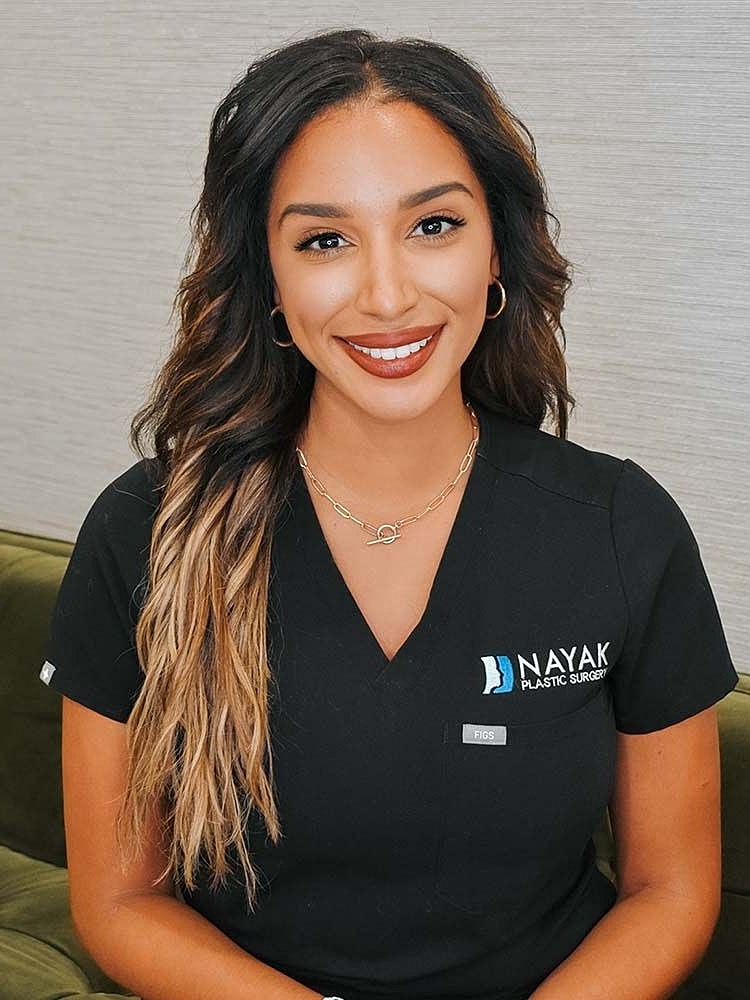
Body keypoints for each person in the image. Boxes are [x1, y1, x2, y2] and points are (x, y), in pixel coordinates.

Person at [40, 26, 739, 1000]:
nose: (386, 292)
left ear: (497, 245)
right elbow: (117, 899)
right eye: (325, 239)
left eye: (433, 225)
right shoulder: (146, 531)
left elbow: (670, 887)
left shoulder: (623, 527)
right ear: (269, 280)